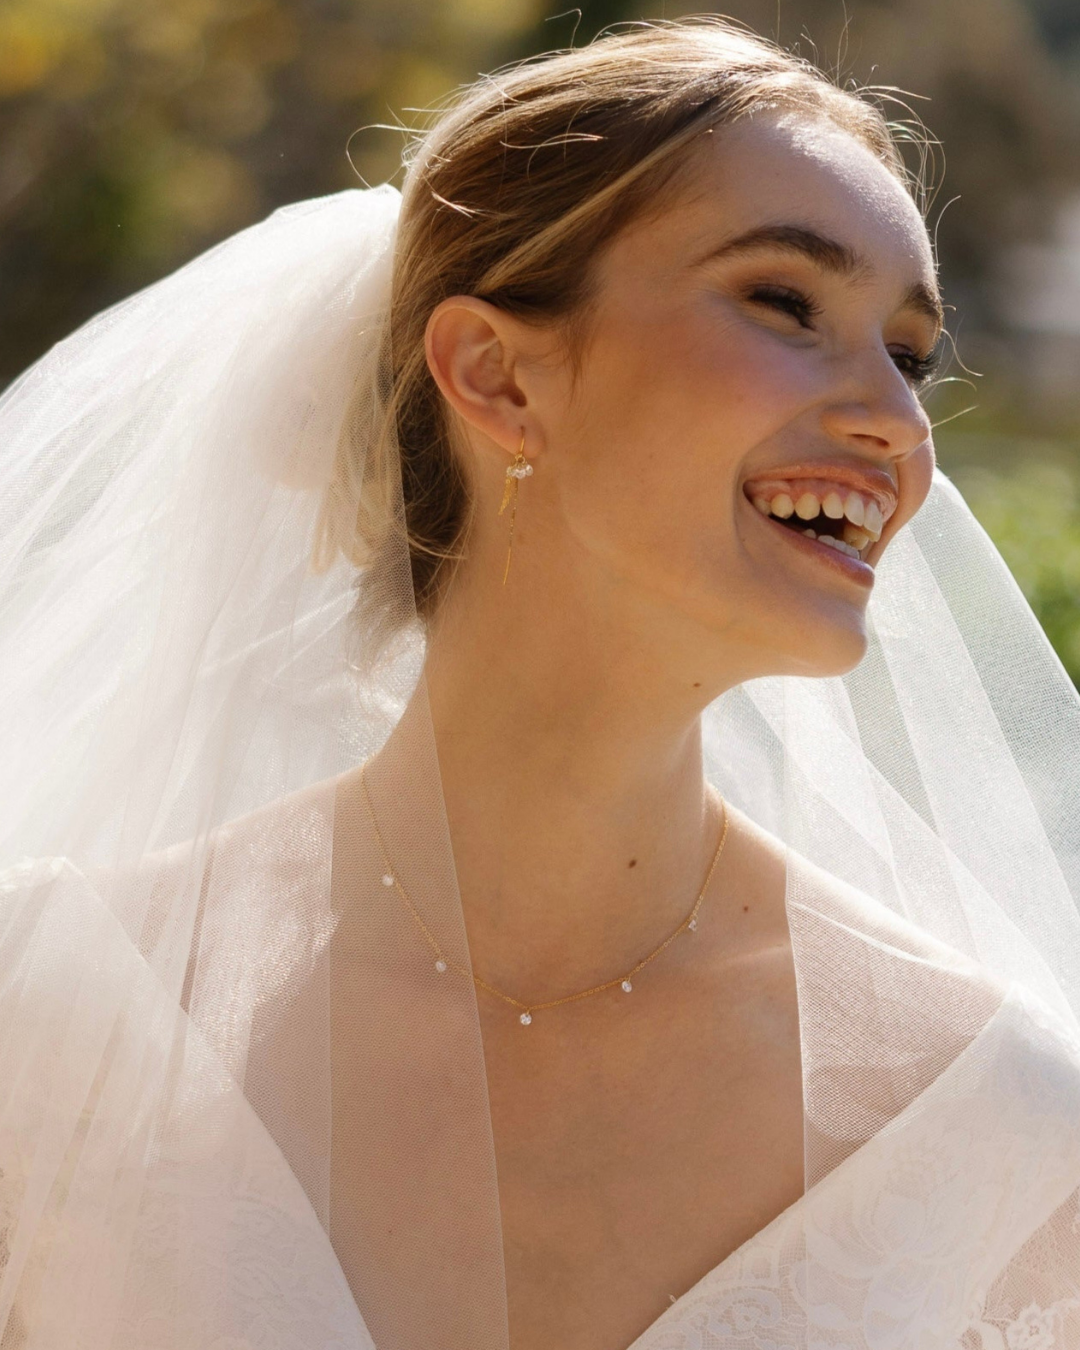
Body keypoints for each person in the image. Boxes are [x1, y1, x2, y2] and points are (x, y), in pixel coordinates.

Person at [1, 17, 1079, 1350]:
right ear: (498, 375)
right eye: (788, 305)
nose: (901, 428)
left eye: (910, 355)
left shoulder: (997, 1131)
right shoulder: (48, 1021)